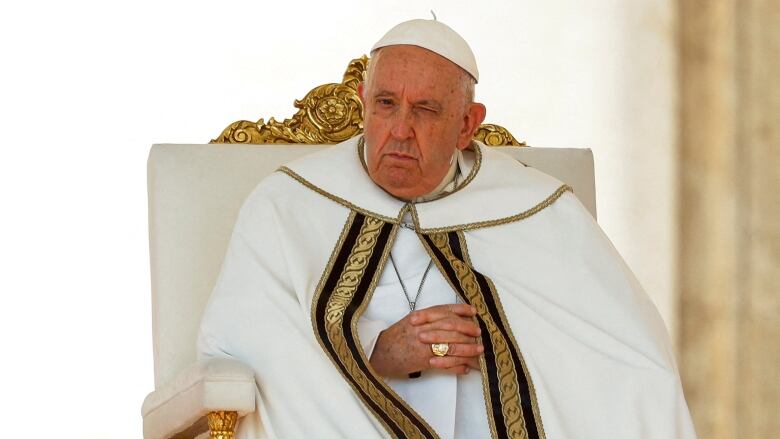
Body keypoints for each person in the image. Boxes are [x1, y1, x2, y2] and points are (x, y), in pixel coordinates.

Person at [198, 19, 697, 439]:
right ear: (362, 100)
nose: (399, 130)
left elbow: (631, 365)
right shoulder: (287, 203)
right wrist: (375, 351)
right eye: (386, 103)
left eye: (426, 110)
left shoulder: (537, 208)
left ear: (467, 124)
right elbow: (241, 341)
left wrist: (506, 349)